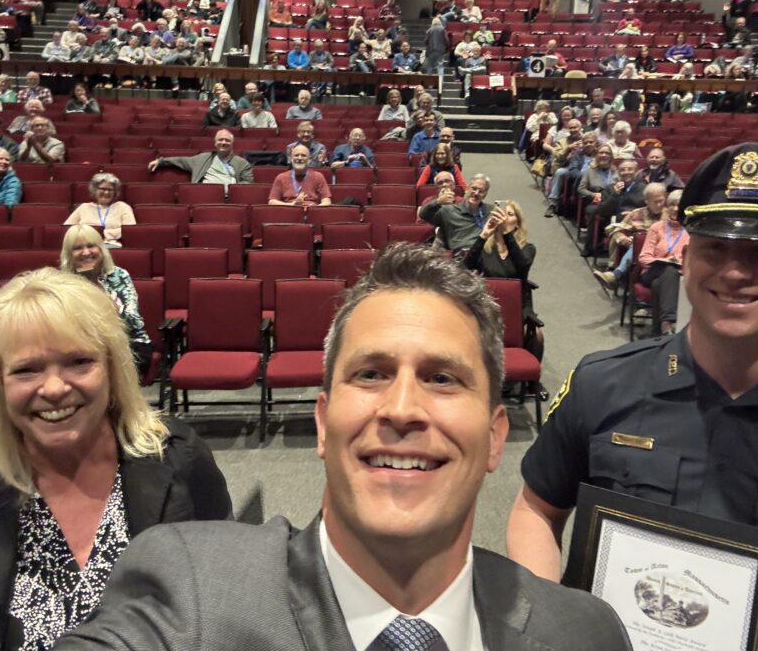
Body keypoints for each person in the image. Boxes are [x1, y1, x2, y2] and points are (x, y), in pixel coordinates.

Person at [53, 242, 630, 651]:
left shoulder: (585, 633)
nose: (402, 409)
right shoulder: (189, 588)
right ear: (324, 425)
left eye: (443, 378)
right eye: (372, 374)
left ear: (495, 437)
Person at [506, 142, 758, 650]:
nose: (733, 271)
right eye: (715, 247)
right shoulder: (601, 385)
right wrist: (549, 625)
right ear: (685, 256)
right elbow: (537, 510)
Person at [0, 268, 231, 650]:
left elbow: (226, 612)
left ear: (113, 368)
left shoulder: (180, 458)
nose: (54, 388)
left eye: (79, 362)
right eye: (26, 370)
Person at [60, 225, 151, 372]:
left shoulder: (118, 276)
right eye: (77, 248)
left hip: (129, 344)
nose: (86, 252)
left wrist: (109, 302)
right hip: (81, 348)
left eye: (91, 246)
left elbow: (134, 322)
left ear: (101, 249)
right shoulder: (62, 283)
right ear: (69, 254)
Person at [465, 201, 544, 360]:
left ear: (517, 224)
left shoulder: (528, 248)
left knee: (537, 336)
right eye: (501, 213)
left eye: (510, 214)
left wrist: (507, 235)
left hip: (517, 306)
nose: (504, 217)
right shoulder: (486, 248)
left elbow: (521, 267)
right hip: (488, 304)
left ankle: (531, 382)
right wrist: (483, 235)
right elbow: (465, 267)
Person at [635, 189, 689, 335]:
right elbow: (644, 257)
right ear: (667, 206)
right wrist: (665, 261)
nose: (675, 209)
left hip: (679, 275)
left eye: (680, 205)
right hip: (652, 271)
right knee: (669, 269)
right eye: (672, 204)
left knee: (660, 283)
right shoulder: (657, 228)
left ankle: (660, 331)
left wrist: (676, 263)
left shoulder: (691, 230)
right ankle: (669, 321)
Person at [150, 130, 254, 187]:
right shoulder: (202, 158)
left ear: (232, 144)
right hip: (203, 197)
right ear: (215, 143)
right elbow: (181, 161)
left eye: (227, 140)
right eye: (220, 140)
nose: (223, 143)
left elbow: (248, 184)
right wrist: (161, 161)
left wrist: (228, 187)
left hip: (228, 200)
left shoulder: (242, 163)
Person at [419, 173, 492, 254]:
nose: (476, 193)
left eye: (481, 191)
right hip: (461, 255)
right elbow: (423, 214)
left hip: (484, 254)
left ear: (485, 195)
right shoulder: (449, 211)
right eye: (474, 189)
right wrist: (438, 201)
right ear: (467, 189)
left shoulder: (491, 211)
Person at [64, 173, 136, 248]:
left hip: (113, 246)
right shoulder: (84, 207)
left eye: (110, 190)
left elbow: (130, 231)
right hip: (85, 245)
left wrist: (103, 234)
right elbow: (68, 229)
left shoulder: (122, 207)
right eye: (103, 189)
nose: (106, 192)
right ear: (95, 190)